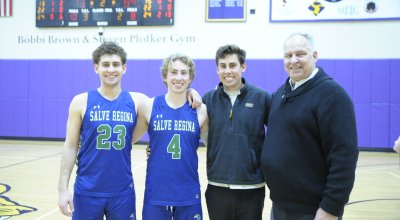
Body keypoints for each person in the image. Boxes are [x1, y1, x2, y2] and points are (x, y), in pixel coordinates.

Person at [57, 42, 201, 219]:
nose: (111, 69)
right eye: (105, 64)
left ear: (124, 68)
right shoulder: (80, 101)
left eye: (116, 64)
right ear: (96, 68)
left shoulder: (138, 101)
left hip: (122, 191)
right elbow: (70, 147)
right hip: (87, 189)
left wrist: (191, 91)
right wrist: (62, 189)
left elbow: (171, 102)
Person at [261, 33, 359, 220]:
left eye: (300, 54)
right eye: (288, 56)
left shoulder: (333, 96)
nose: (293, 60)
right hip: (280, 206)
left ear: (314, 56)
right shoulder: (282, 93)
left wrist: (330, 210)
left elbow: (344, 158)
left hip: (314, 211)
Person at [132, 53, 208, 220]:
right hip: (157, 193)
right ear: (164, 76)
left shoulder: (201, 111)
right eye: (173, 72)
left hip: (188, 193)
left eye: (184, 73)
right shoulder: (149, 106)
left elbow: (215, 148)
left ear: (190, 77)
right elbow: (126, 141)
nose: (178, 77)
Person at [202, 44, 271, 220]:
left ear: (243, 67)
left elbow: (278, 135)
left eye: (232, 65)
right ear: (217, 69)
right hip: (217, 185)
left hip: (252, 186)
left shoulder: (261, 97)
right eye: (223, 66)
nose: (228, 71)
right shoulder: (207, 99)